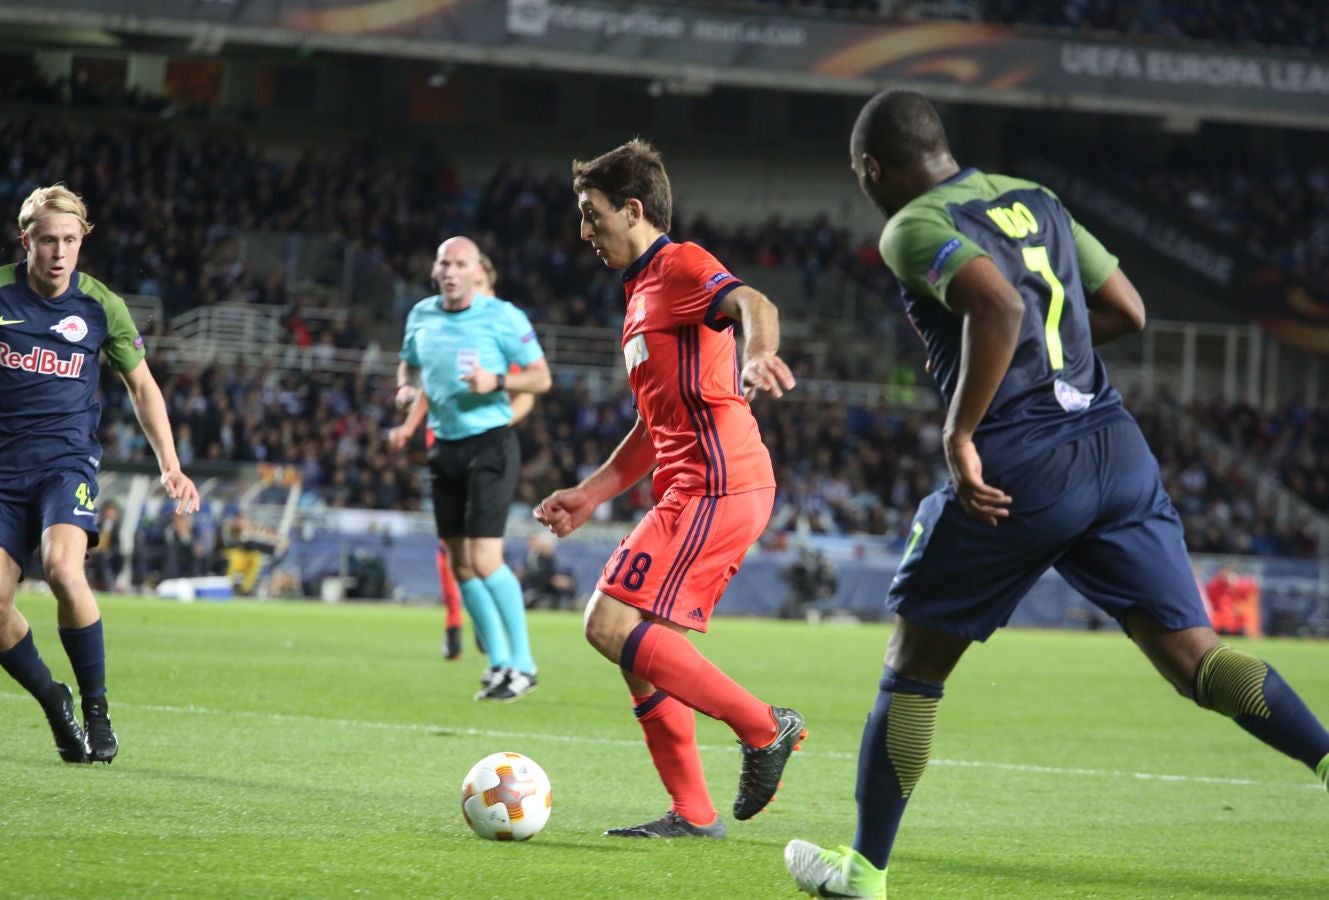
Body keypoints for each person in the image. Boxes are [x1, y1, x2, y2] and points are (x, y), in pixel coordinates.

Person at [784, 91, 1329, 899]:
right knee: (1194, 658)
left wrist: (960, 431)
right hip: (1114, 449)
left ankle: (862, 872)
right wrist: (1049, 355)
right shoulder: (1034, 197)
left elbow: (998, 305)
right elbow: (1124, 310)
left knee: (913, 668)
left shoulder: (910, 227)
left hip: (1019, 465)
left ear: (871, 168)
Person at [534, 138, 805, 840]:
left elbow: (754, 303)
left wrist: (759, 354)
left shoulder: (680, 265)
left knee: (609, 624)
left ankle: (763, 726)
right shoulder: (639, 293)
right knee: (633, 647)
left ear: (632, 209)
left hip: (719, 485)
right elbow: (655, 426)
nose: (583, 233)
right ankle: (692, 811)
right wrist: (591, 494)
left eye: (592, 216)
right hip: (692, 486)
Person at [0, 185, 199, 765]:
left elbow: (142, 385)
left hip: (67, 464)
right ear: (26, 241)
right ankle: (52, 698)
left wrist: (171, 465)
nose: (59, 253)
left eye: (69, 241)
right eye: (47, 241)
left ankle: (95, 708)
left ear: (82, 241)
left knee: (64, 567)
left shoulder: (100, 305)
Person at [391, 236, 551, 701]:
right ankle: (499, 663)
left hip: (490, 445)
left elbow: (541, 378)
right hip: (444, 449)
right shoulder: (421, 314)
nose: (450, 271)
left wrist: (496, 381)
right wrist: (406, 395)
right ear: (435, 269)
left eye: (459, 264)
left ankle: (525, 665)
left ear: (476, 269)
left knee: (484, 559)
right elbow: (410, 368)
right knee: (461, 567)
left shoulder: (503, 317)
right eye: (444, 263)